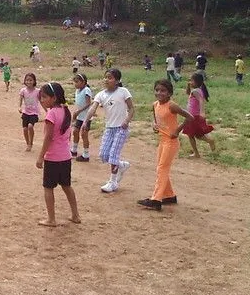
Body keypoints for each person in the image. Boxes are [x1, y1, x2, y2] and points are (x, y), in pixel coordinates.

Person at [137, 79, 193, 211]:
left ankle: (156, 199)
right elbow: (156, 119)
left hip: (171, 142)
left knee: (162, 168)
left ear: (169, 93)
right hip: (162, 140)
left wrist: (177, 130)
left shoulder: (172, 106)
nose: (159, 93)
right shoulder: (155, 105)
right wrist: (154, 126)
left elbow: (190, 117)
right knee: (161, 167)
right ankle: (169, 195)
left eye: (163, 91)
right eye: (157, 90)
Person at [35, 82, 81, 227]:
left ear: (53, 98)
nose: (42, 100)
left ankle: (51, 219)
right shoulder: (65, 110)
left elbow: (48, 137)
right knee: (67, 186)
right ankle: (75, 214)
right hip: (65, 157)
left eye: (44, 97)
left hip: (53, 158)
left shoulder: (51, 114)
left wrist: (41, 156)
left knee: (48, 188)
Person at [82, 69, 134, 193]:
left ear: (117, 81)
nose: (106, 80)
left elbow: (132, 109)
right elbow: (92, 109)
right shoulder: (101, 94)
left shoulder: (123, 92)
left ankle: (113, 182)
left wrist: (126, 121)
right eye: (105, 77)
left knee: (113, 155)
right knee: (104, 155)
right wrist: (86, 121)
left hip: (121, 128)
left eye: (110, 78)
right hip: (109, 128)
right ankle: (122, 165)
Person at [183, 73, 216, 158]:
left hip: (192, 116)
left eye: (191, 80)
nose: (190, 81)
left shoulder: (195, 91)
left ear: (196, 82)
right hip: (193, 116)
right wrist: (188, 85)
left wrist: (202, 112)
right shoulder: (198, 90)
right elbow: (187, 93)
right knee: (197, 134)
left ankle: (197, 152)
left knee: (191, 135)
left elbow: (201, 100)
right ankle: (208, 141)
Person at [71, 73, 93, 162]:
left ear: (83, 82)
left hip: (86, 117)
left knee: (84, 134)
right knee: (75, 132)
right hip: (80, 117)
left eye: (77, 82)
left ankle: (86, 154)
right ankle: (74, 150)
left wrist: (79, 111)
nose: (75, 84)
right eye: (74, 82)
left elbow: (88, 103)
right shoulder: (77, 91)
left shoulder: (87, 90)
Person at [18, 73, 40, 152]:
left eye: (31, 80)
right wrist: (19, 107)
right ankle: (28, 143)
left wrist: (47, 110)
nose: (29, 82)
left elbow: (42, 101)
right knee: (24, 129)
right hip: (25, 112)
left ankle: (31, 142)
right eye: (27, 80)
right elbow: (20, 99)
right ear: (25, 81)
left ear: (34, 81)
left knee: (30, 126)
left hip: (34, 113)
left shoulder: (38, 91)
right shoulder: (23, 90)